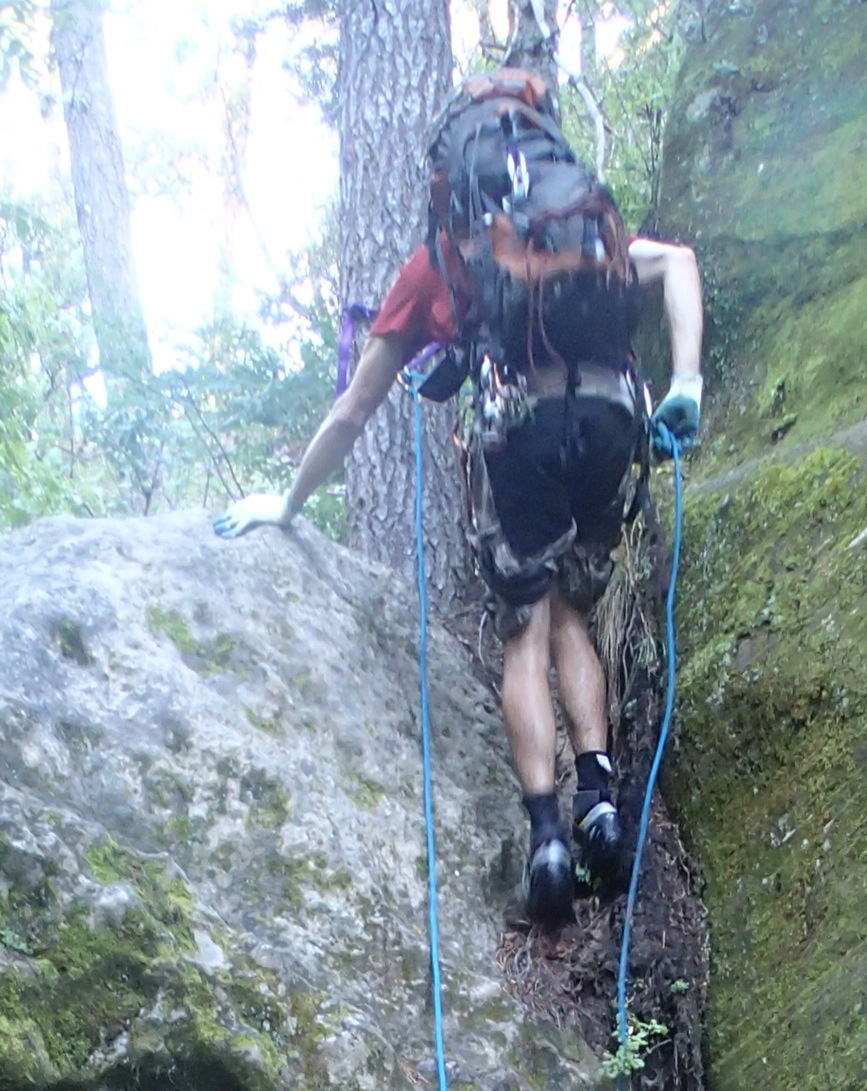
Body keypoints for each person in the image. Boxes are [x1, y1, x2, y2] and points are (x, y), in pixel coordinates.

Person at [216, 64, 703, 930]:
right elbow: (678, 265)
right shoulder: (581, 225)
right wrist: (687, 382)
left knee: (526, 627)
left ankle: (549, 836)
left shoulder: (443, 259)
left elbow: (354, 407)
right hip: (610, 418)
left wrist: (286, 504)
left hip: (522, 431)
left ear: (454, 171)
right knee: (574, 614)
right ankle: (602, 801)